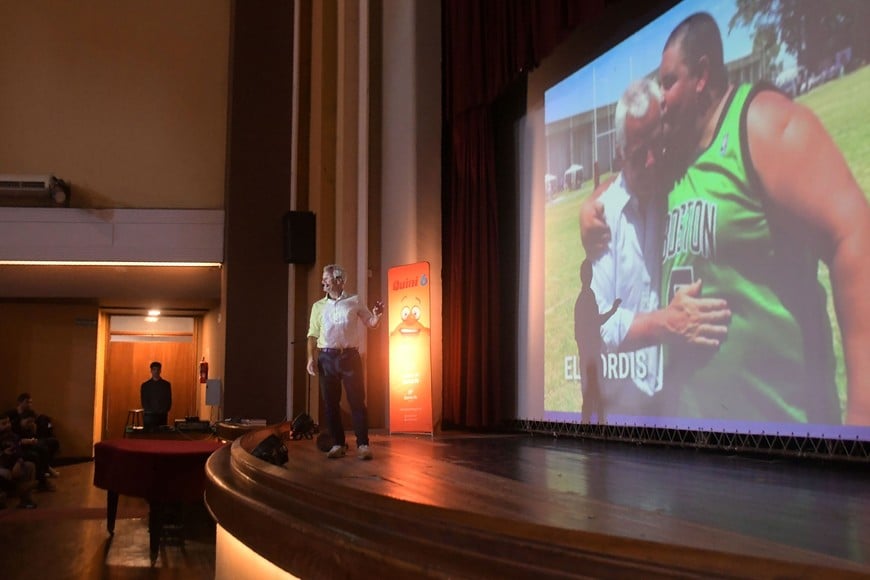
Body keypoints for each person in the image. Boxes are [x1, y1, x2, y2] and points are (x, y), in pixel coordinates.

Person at [653, 12, 870, 423]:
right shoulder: (675, 162)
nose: (660, 97)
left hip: (784, 451)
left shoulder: (759, 123)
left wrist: (864, 417)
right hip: (697, 455)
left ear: (701, 76)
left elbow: (854, 234)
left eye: (669, 82)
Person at [580, 78, 731, 417]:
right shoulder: (605, 216)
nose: (650, 161)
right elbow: (598, 320)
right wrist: (667, 324)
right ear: (620, 153)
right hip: (621, 413)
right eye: (637, 154)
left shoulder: (677, 182)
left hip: (676, 406)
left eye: (656, 146)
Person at [306, 264, 384, 460]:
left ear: (339, 281)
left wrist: (378, 316)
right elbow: (312, 335)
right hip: (326, 357)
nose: (323, 281)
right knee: (330, 404)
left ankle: (363, 444)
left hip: (350, 357)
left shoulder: (354, 301)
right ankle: (338, 444)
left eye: (327, 278)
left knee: (357, 401)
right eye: (323, 277)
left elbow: (371, 323)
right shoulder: (318, 307)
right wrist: (310, 358)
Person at [574, 259, 620, 423]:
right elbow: (593, 322)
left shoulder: (584, 297)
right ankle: (597, 428)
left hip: (588, 356)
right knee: (593, 396)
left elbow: (580, 331)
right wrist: (613, 311)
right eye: (589, 272)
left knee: (592, 396)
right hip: (590, 358)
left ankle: (593, 428)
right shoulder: (586, 297)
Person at [0, 412, 38, 509]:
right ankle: (16, 490)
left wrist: (19, 462)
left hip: (13, 464)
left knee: (30, 466)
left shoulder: (12, 435)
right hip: (2, 466)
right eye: (4, 424)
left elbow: (19, 451)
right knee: (5, 474)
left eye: (8, 422)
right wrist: (3, 453)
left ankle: (26, 500)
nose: (8, 425)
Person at [141, 361, 172, 429]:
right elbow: (144, 401)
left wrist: (164, 410)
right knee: (149, 437)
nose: (156, 371)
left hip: (162, 415)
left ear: (160, 370)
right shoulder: (145, 385)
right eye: (154, 369)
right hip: (149, 416)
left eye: (158, 369)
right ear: (151, 371)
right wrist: (150, 411)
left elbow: (168, 400)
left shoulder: (166, 385)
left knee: (161, 436)